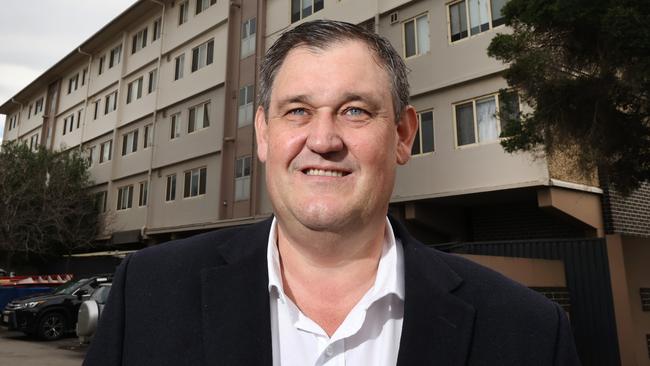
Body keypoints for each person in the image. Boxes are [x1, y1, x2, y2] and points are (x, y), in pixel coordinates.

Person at [84, 20, 581, 365]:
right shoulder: (148, 294)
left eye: (355, 111)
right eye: (297, 110)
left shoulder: (528, 332)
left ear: (404, 136)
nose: (322, 140)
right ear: (262, 134)